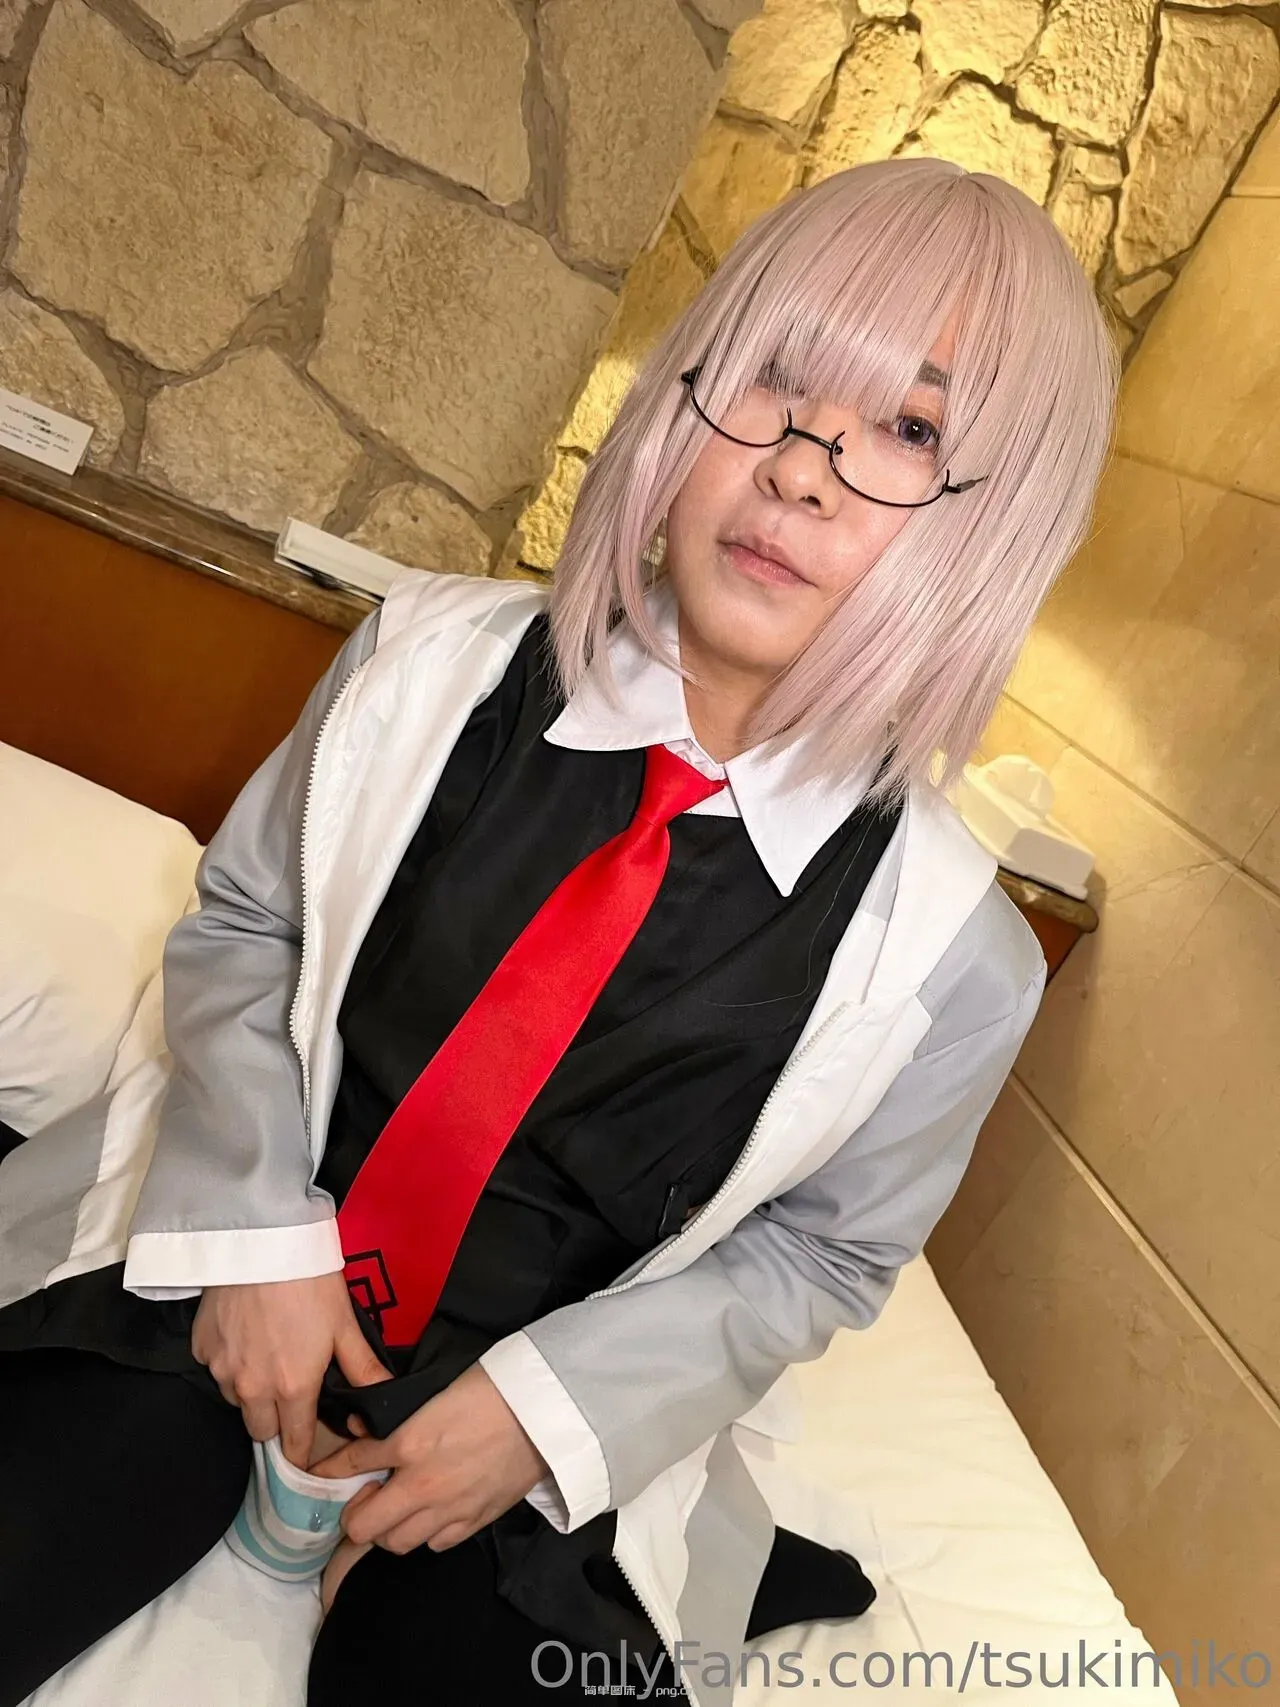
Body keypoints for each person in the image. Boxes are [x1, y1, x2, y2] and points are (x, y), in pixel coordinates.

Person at [0, 155, 1118, 1707]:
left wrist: (540, 1418)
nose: (801, 470)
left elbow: (823, 1250)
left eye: (908, 431)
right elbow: (249, 920)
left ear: (997, 531)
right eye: (775, 380)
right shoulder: (420, 664)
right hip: (235, 1271)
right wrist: (254, 1238)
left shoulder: (957, 962)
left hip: (539, 1439)